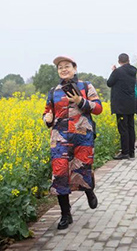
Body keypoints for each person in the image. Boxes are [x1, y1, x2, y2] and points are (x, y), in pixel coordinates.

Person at [43, 56, 102, 230]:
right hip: (59, 138)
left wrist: (80, 101)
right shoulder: (53, 91)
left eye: (67, 66)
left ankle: (89, 191)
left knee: (82, 169)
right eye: (60, 67)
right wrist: (47, 118)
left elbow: (98, 108)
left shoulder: (86, 86)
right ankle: (65, 214)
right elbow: (47, 111)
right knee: (60, 174)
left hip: (82, 137)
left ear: (74, 68)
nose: (63, 69)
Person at [106, 53, 137, 160]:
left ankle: (125, 152)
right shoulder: (133, 71)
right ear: (128, 60)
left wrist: (114, 71)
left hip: (121, 105)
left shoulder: (118, 72)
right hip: (131, 104)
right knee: (130, 128)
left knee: (123, 129)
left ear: (119, 61)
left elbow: (109, 83)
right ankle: (131, 152)